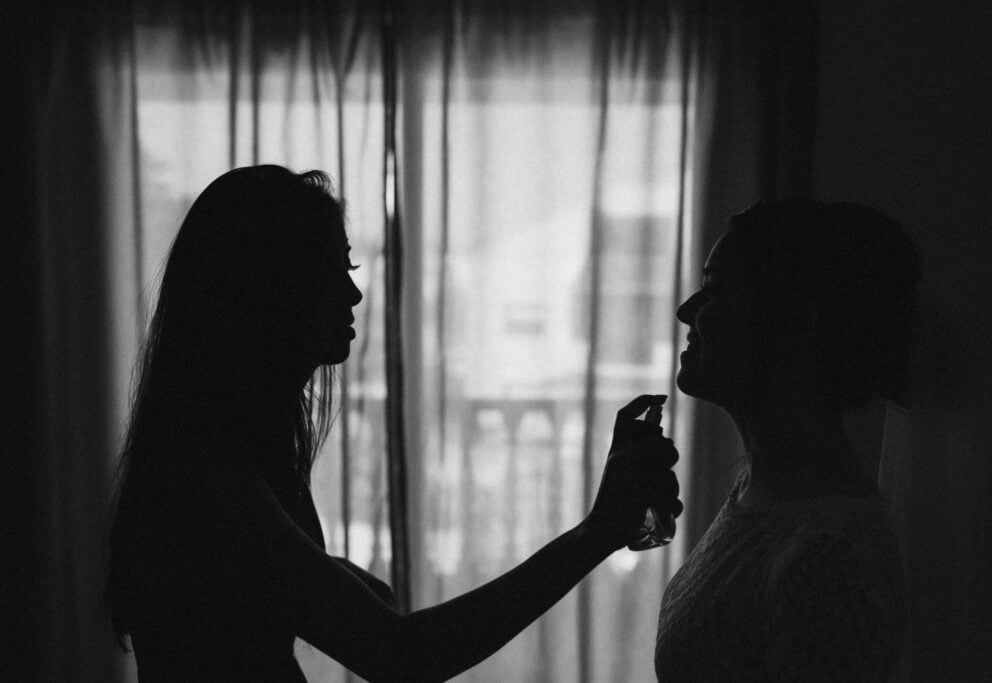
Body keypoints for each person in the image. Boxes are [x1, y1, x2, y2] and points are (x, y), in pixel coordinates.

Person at [104, 165, 683, 681]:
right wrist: (595, 535)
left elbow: (292, 598)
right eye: (331, 269)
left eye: (350, 266)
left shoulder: (212, 456)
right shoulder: (212, 479)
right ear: (267, 289)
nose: (354, 292)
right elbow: (402, 655)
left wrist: (330, 580)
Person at [655, 199, 919, 680]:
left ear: (794, 323)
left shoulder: (826, 559)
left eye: (717, 290)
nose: (686, 310)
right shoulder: (762, 493)